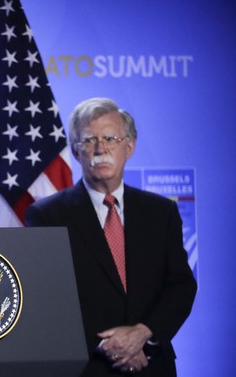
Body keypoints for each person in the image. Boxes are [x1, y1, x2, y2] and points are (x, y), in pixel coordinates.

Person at [25, 97, 196, 376]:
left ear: (129, 146)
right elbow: (45, 296)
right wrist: (111, 345)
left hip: (152, 363)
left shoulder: (161, 212)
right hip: (87, 366)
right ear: (75, 151)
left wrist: (143, 336)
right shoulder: (47, 215)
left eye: (110, 138)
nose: (100, 148)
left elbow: (181, 285)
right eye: (89, 140)